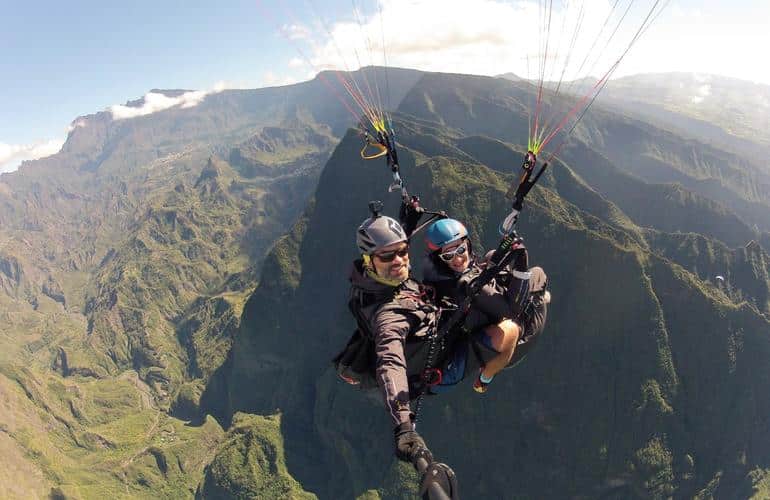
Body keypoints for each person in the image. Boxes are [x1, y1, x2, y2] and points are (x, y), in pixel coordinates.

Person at [348, 212, 443, 464]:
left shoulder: (375, 278)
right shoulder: (388, 316)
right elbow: (390, 361)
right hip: (441, 362)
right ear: (368, 260)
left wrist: (407, 222)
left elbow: (394, 251)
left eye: (403, 250)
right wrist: (404, 425)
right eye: (388, 256)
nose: (399, 260)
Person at [422, 218, 550, 394]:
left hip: (473, 331)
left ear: (467, 245)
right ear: (439, 258)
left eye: (461, 250)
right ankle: (484, 380)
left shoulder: (435, 275)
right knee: (538, 277)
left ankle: (536, 295)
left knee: (492, 255)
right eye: (448, 256)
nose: (458, 259)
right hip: (514, 342)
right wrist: (521, 262)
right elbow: (513, 311)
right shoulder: (467, 285)